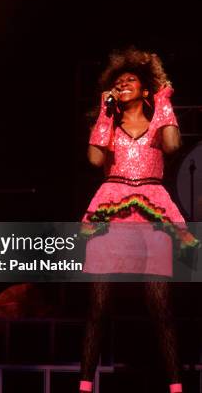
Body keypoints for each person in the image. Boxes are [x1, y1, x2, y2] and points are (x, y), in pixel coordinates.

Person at [79, 48, 199, 393]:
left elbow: (174, 145)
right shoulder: (109, 125)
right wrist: (104, 114)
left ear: (146, 89)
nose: (122, 84)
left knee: (160, 306)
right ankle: (85, 386)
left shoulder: (159, 118)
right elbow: (93, 159)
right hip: (111, 211)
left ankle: (176, 387)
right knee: (98, 307)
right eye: (117, 82)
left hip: (152, 210)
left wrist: (164, 101)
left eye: (130, 79)